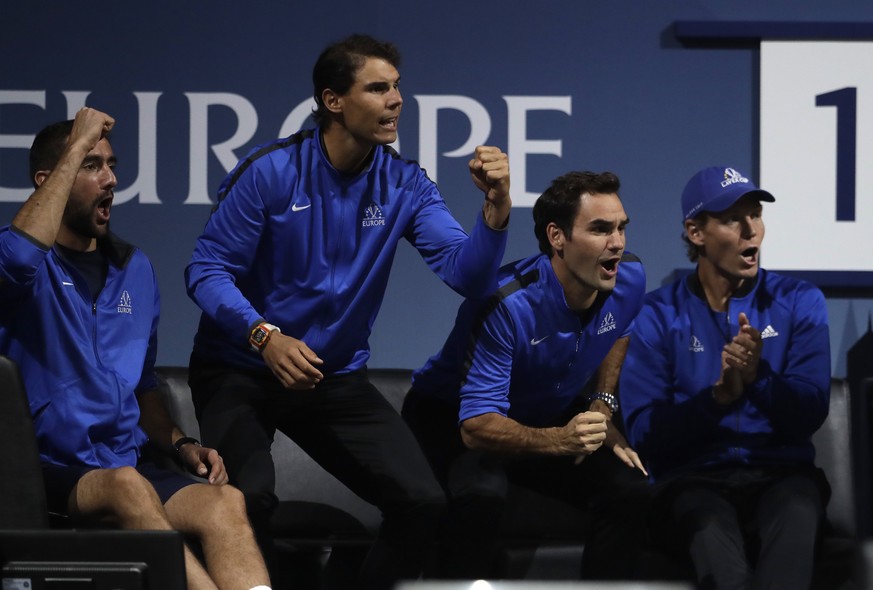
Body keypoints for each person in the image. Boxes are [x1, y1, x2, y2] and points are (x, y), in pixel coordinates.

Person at [184, 34, 511, 589]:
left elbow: (469, 275)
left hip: (332, 377)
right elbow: (206, 271)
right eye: (378, 88)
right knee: (249, 497)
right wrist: (264, 336)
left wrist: (496, 208)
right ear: (333, 100)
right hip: (241, 366)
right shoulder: (270, 171)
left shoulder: (405, 184)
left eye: (397, 88)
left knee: (423, 500)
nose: (396, 101)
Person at [0, 108, 271, 590]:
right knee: (128, 487)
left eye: (112, 164)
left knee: (226, 503)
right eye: (91, 164)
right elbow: (18, 258)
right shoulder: (22, 264)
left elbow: (143, 386)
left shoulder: (135, 268)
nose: (110, 179)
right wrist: (75, 140)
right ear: (50, 181)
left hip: (125, 463)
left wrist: (182, 444)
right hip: (47, 472)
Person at [402, 171, 649, 579]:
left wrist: (602, 404)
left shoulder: (628, 277)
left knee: (630, 489)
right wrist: (561, 440)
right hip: (452, 417)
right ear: (557, 237)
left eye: (622, 228)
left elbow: (620, 328)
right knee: (481, 495)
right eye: (601, 229)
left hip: (543, 409)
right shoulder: (507, 305)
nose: (618, 244)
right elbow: (477, 427)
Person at [620, 166, 831, 590]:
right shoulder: (656, 314)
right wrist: (716, 400)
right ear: (696, 232)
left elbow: (809, 411)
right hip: (692, 482)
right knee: (720, 556)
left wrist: (758, 378)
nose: (752, 230)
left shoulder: (800, 301)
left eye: (755, 215)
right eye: (734, 218)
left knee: (796, 513)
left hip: (782, 477)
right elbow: (645, 431)